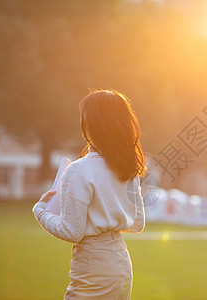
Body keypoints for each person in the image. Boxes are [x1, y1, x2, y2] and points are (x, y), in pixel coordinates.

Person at [32, 89, 147, 299]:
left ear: (92, 123)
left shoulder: (78, 170)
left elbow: (71, 231)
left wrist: (40, 211)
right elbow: (137, 223)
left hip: (93, 266)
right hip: (120, 262)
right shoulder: (129, 168)